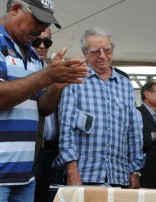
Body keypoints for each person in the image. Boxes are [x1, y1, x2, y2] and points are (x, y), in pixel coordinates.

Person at [0, 0, 89, 201]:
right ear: (14, 10)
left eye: (47, 24)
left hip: (24, 177)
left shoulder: (32, 55)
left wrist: (56, 85)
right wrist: (47, 76)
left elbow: (43, 108)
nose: (42, 28)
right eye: (38, 20)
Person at [53, 27, 145, 188]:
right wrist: (72, 172)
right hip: (85, 175)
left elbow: (133, 131)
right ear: (84, 52)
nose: (102, 56)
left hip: (119, 176)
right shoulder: (74, 80)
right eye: (95, 51)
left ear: (113, 49)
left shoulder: (125, 84)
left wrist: (135, 171)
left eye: (107, 50)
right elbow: (66, 130)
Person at [31, 27, 64, 202]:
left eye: (47, 42)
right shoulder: (24, 69)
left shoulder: (55, 71)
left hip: (52, 151)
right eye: (37, 41)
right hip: (30, 150)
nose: (42, 46)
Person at [137, 81, 156, 189]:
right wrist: (154, 136)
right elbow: (130, 139)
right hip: (145, 171)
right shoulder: (137, 113)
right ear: (147, 94)